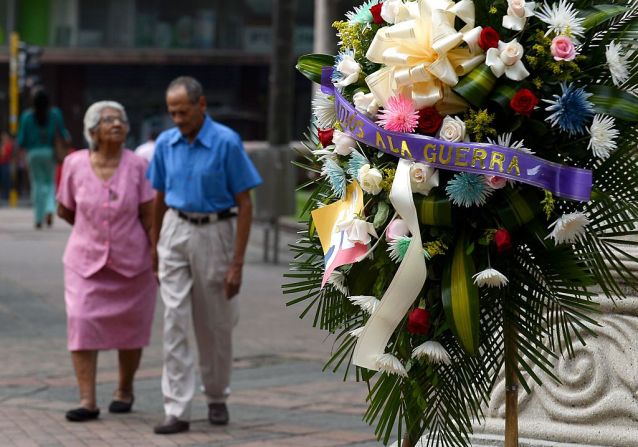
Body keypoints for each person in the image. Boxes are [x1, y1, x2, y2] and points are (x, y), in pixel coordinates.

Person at [148, 76, 262, 434]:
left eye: (183, 111)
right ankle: (176, 408)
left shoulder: (226, 143)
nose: (177, 119)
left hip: (216, 233)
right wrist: (154, 246)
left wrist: (238, 264)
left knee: (215, 324)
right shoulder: (165, 144)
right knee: (174, 322)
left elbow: (245, 205)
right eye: (172, 112)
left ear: (201, 105)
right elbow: (159, 199)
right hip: (175, 231)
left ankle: (216, 397)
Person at [56, 101, 157, 422]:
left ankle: (124, 390)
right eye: (108, 120)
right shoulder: (74, 164)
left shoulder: (138, 166)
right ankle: (87, 400)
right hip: (84, 262)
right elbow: (65, 209)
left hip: (133, 263)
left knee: (131, 328)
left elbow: (149, 215)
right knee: (82, 321)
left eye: (121, 120)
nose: (117, 124)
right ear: (92, 131)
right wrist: (94, 232)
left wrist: (155, 254)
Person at [17, 88, 69, 228]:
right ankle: (50, 209)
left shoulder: (27, 116)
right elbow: (64, 133)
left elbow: (21, 140)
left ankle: (38, 217)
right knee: (50, 183)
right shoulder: (55, 114)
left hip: (33, 154)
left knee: (37, 184)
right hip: (49, 153)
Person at [0, 132, 14, 205]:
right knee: (2, 180)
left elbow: (4, 153)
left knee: (6, 180)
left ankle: (6, 196)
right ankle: (3, 195)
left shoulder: (8, 145)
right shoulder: (3, 145)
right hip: (1, 164)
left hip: (5, 164)